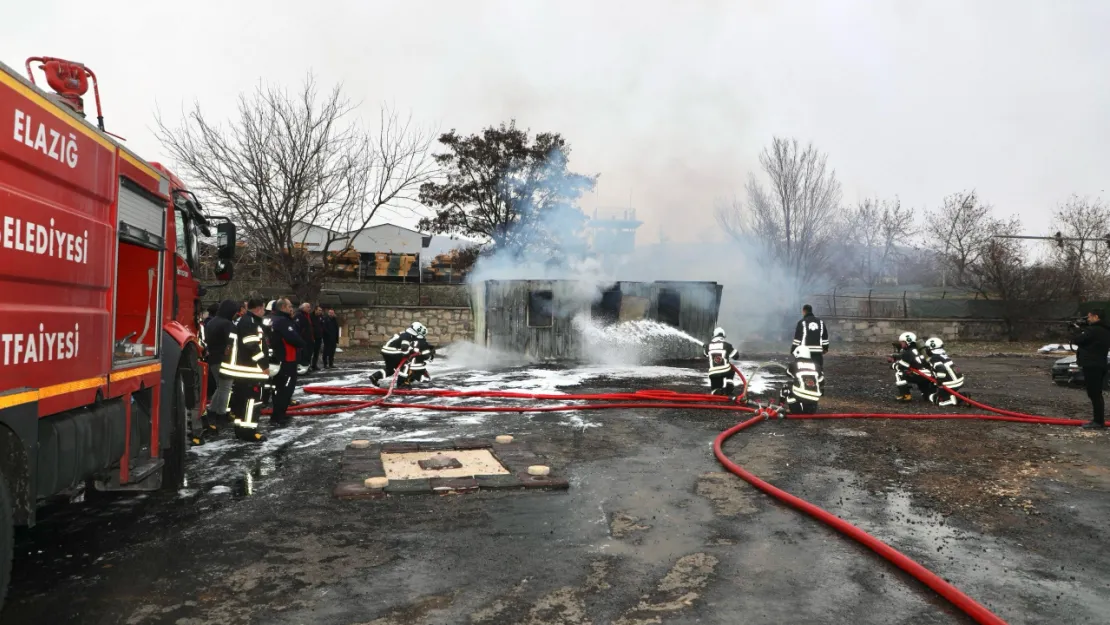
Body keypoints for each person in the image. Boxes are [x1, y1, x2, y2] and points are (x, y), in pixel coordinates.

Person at [221, 298, 271, 442]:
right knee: (251, 403)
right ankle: (249, 432)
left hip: (242, 370)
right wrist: (264, 365)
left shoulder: (244, 320)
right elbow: (251, 345)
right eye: (263, 310)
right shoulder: (250, 323)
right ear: (260, 308)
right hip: (250, 371)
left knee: (240, 403)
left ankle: (240, 430)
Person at [199, 299, 238, 440]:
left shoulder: (212, 322)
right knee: (226, 388)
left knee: (220, 387)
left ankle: (212, 411)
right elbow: (231, 344)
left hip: (213, 359)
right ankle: (221, 414)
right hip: (224, 360)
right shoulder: (228, 325)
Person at [269, 298, 307, 426]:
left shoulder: (272, 319)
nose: (292, 309)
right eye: (290, 306)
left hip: (276, 359)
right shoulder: (283, 321)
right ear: (284, 307)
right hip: (287, 359)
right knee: (285, 389)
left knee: (277, 388)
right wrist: (302, 344)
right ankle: (278, 416)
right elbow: (294, 338)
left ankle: (278, 414)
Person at [1072, 309, 1110, 429]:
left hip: (1092, 365)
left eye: (1089, 317)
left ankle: (1098, 421)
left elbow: (1078, 340)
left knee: (1094, 393)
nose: (1088, 319)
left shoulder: (1093, 330)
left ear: (1096, 317)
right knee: (1097, 393)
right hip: (1101, 364)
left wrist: (1077, 330)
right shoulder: (1105, 330)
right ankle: (1099, 420)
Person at [369, 322, 428, 386]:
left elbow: (404, 347)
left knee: (390, 369)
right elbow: (404, 348)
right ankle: (402, 383)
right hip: (393, 351)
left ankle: (375, 377)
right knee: (406, 364)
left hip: (386, 351)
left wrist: (411, 351)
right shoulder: (408, 335)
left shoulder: (404, 334)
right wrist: (408, 354)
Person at [793, 304, 829, 390]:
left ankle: (805, 387)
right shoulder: (820, 322)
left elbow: (797, 339)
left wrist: (793, 350)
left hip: (805, 352)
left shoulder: (801, 322)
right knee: (818, 370)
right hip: (817, 352)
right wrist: (825, 348)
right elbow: (825, 337)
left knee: (803, 369)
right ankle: (820, 389)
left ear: (804, 311)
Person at [921, 337, 965, 407]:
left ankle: (958, 399)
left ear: (929, 349)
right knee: (934, 394)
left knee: (936, 400)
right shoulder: (943, 355)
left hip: (951, 383)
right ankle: (956, 396)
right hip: (959, 380)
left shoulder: (934, 358)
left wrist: (939, 381)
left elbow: (940, 368)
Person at [890, 331, 931, 401]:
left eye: (902, 342)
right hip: (928, 375)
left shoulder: (908, 352)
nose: (900, 344)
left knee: (899, 374)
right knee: (917, 376)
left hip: (921, 375)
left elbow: (902, 366)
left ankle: (905, 395)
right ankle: (927, 394)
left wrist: (893, 365)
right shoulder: (918, 350)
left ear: (907, 342)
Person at [781, 345, 822, 413]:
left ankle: (780, 407)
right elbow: (821, 381)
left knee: (786, 388)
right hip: (814, 399)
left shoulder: (794, 365)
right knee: (806, 392)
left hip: (800, 396)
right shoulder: (817, 366)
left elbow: (788, 374)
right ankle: (808, 410)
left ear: (798, 354)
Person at [703, 327, 741, 397]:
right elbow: (736, 356)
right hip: (726, 370)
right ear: (723, 335)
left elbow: (704, 354)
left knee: (715, 389)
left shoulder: (708, 346)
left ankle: (717, 391)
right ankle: (729, 386)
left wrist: (705, 347)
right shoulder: (727, 345)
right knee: (732, 370)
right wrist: (733, 350)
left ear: (714, 335)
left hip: (713, 373)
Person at [293, 302, 315, 374]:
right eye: (307, 307)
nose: (309, 308)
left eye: (309, 307)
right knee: (303, 355)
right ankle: (301, 370)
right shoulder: (299, 315)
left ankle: (307, 367)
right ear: (303, 308)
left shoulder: (308, 315)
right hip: (303, 339)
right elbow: (298, 328)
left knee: (309, 354)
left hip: (309, 339)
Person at [310, 305, 326, 371]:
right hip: (312, 337)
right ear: (315, 310)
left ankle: (314, 365)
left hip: (319, 337)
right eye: (319, 310)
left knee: (316, 352)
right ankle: (308, 365)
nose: (320, 312)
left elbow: (322, 325)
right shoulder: (310, 316)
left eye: (321, 310)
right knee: (310, 352)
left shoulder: (321, 317)